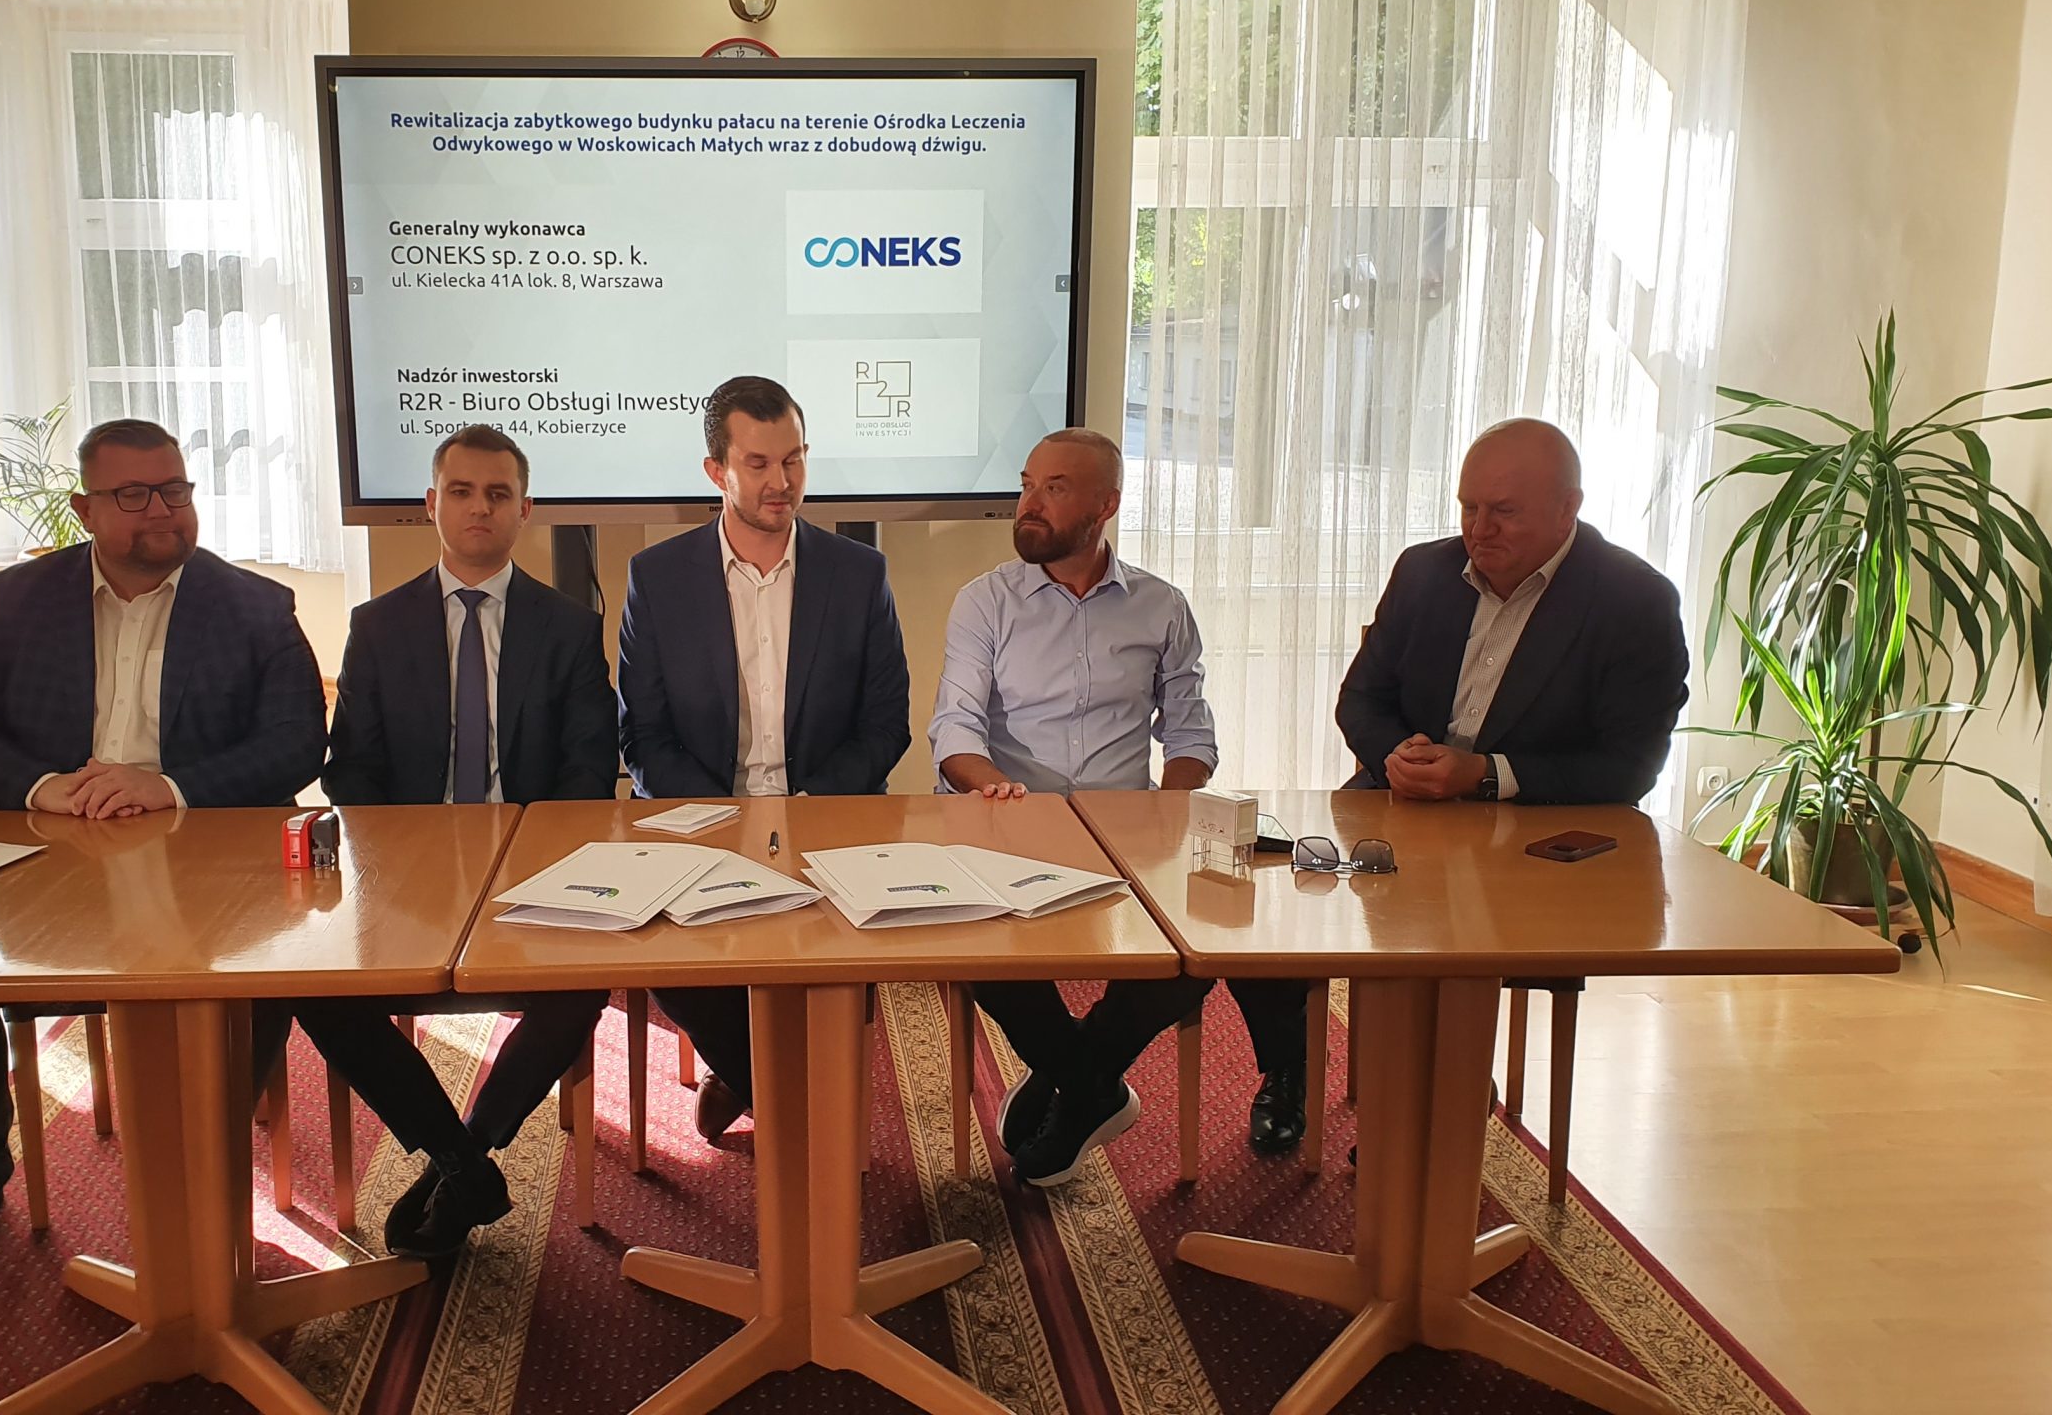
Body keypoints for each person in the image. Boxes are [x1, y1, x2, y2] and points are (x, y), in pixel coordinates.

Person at [0, 417, 326, 1267]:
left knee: (259, 962)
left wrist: (169, 787)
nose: (161, 510)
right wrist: (42, 787)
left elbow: (296, 744)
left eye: (174, 489)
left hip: (207, 851)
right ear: (84, 509)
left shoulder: (255, 606)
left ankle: (205, 1171)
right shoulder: (11, 603)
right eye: (133, 495)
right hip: (49, 843)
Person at [934, 429, 1312, 1187]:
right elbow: (955, 731)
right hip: (1013, 828)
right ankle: (1090, 1087)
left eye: (1054, 488)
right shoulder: (985, 601)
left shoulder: (1161, 606)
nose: (1030, 503)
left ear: (1105, 505)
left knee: (1209, 937)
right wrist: (992, 788)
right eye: (1027, 483)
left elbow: (1190, 733)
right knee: (977, 950)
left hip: (1128, 835)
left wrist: (1171, 813)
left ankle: (1073, 1076)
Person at [315, 424, 617, 1258]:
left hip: (528, 872)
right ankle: (459, 1162)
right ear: (431, 504)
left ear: (525, 510)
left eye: (497, 494)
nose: (479, 508)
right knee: (316, 990)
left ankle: (466, 1154)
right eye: (461, 491)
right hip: (406, 876)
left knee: (582, 986)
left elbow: (588, 774)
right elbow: (351, 771)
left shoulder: (568, 628)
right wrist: (407, 861)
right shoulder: (378, 626)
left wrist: (522, 861)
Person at [616, 375, 911, 1140]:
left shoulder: (858, 574)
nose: (782, 481)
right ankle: (766, 1082)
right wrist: (727, 820)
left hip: (827, 818)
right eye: (759, 463)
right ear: (716, 470)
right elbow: (643, 735)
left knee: (842, 954)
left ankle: (758, 1082)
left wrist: (806, 810)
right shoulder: (658, 577)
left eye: (794, 459)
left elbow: (886, 725)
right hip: (703, 819)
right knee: (657, 950)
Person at [1336, 416, 1690, 809]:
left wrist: (1486, 774)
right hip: (1402, 809)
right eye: (1469, 508)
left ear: (1567, 508)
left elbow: (1630, 766)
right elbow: (1360, 700)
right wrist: (1403, 759)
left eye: (1504, 511)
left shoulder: (1637, 602)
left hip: (1539, 825)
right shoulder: (1422, 572)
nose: (1480, 530)